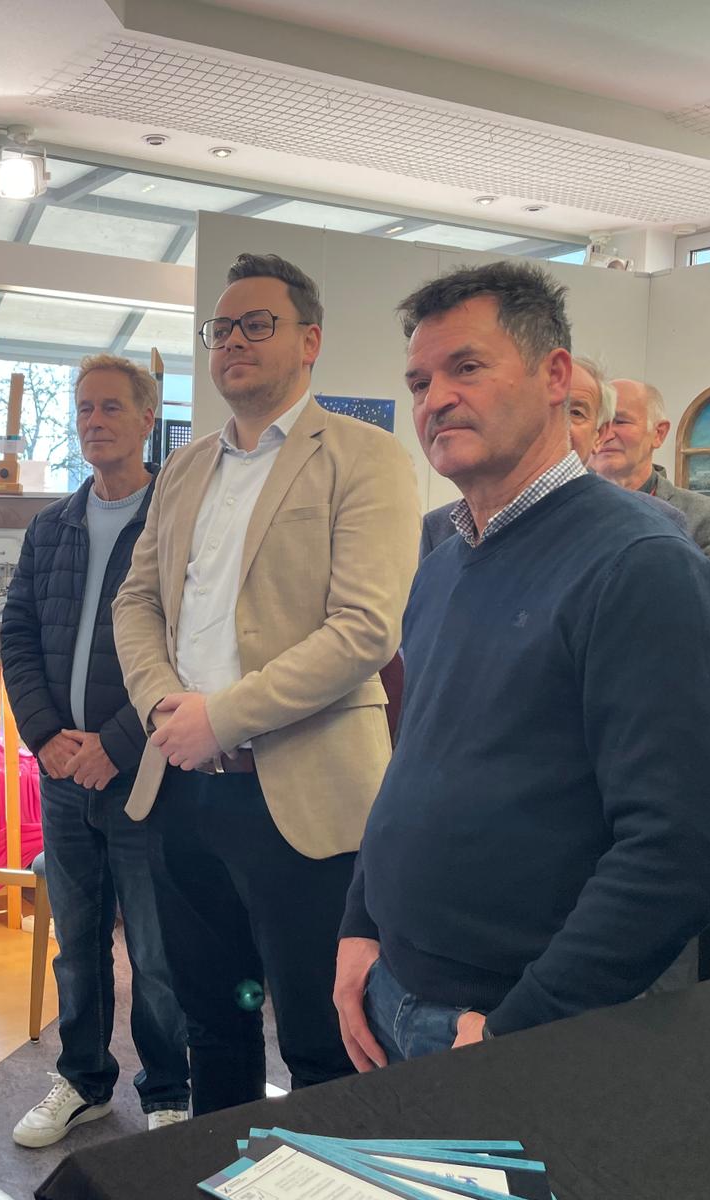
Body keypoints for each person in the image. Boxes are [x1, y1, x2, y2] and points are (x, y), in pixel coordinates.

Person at [336, 262, 710, 1070]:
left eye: (466, 367)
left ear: (555, 377)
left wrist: (518, 1032)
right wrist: (360, 925)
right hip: (395, 990)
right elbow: (415, 766)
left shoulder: (643, 566)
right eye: (419, 381)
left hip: (517, 1023)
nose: (436, 398)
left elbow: (676, 852)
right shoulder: (444, 563)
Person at [114, 254, 419, 1115]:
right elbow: (137, 602)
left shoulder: (366, 457)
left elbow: (364, 628)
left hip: (305, 798)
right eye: (222, 329)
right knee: (212, 1023)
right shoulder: (183, 469)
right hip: (181, 790)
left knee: (325, 1040)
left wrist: (222, 717)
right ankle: (227, 1167)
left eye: (258, 324)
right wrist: (163, 705)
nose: (234, 342)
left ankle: (325, 1174)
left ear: (309, 341)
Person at [1, 355, 190, 1146]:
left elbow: (187, 649)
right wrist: (45, 735)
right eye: (83, 409)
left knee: (155, 949)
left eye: (111, 407)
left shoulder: (177, 524)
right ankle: (82, 1080)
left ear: (148, 419)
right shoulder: (53, 525)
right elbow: (17, 634)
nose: (94, 421)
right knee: (75, 944)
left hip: (144, 773)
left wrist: (116, 743)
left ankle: (169, 1088)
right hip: (61, 773)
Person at [419, 352, 626, 556]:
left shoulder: (631, 528)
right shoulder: (439, 529)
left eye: (575, 412)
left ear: (600, 435)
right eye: (543, 407)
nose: (554, 423)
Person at [591, 378, 710, 589]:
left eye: (620, 421)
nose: (605, 434)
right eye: (597, 422)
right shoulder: (562, 508)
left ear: (658, 433)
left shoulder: (707, 518)